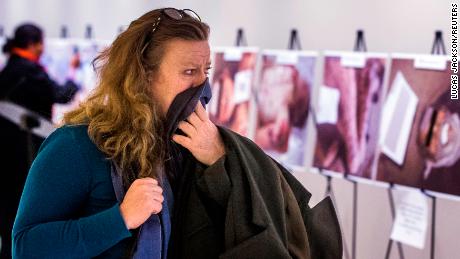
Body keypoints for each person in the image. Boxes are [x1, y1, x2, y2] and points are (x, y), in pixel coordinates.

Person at [13, 8, 342, 259]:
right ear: (143, 76)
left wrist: (218, 160)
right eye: (189, 71)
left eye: (206, 70)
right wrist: (120, 218)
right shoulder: (77, 144)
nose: (202, 85)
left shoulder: (186, 145)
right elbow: (25, 245)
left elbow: (226, 226)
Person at [0, 23, 79, 258]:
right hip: (24, 152)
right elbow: (62, 94)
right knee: (22, 208)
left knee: (7, 210)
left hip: (5, 152)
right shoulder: (30, 72)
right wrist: (73, 73)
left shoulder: (8, 70)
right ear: (35, 44)